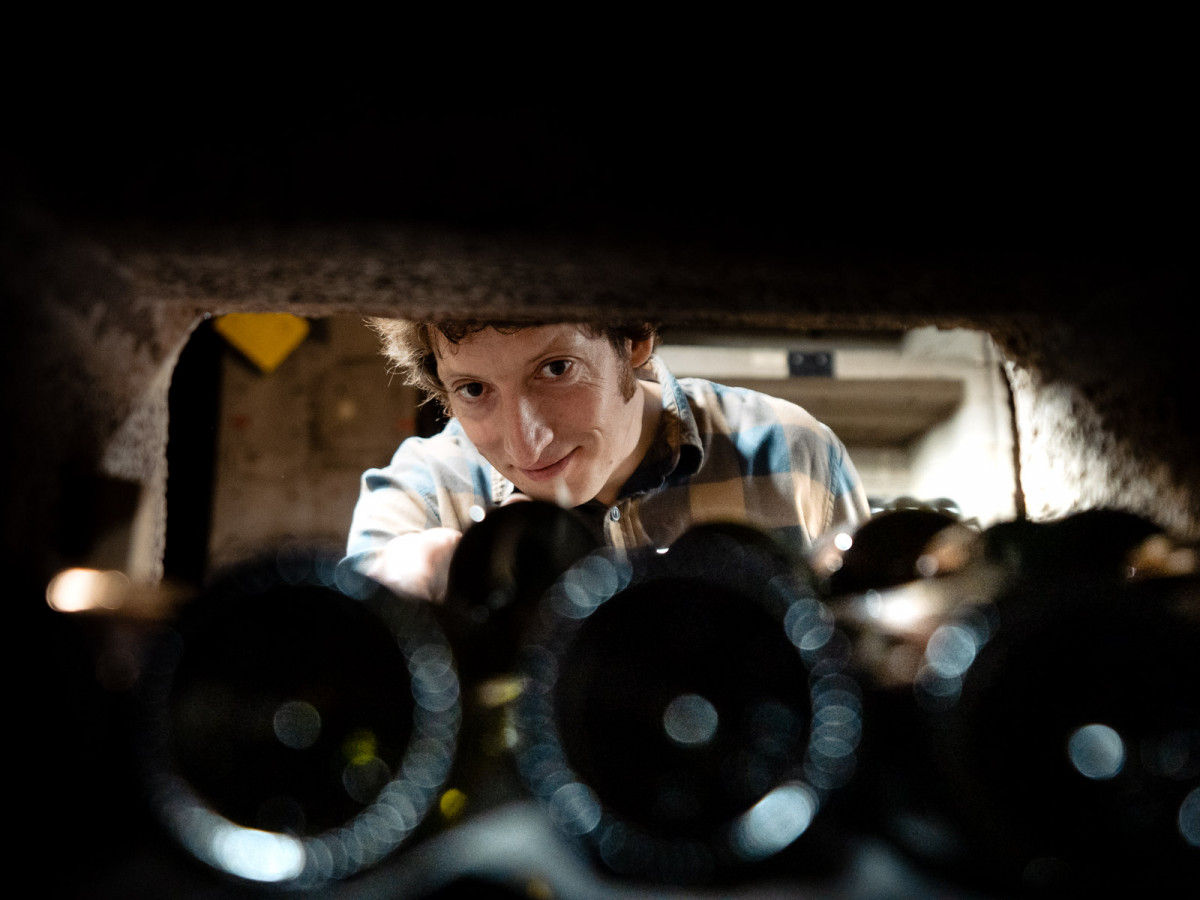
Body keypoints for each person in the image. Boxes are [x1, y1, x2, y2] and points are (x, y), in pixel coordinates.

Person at [342, 318, 870, 601]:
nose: (526, 445)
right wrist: (396, 592)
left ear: (634, 339)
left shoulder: (791, 452)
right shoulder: (422, 492)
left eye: (555, 369)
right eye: (475, 389)